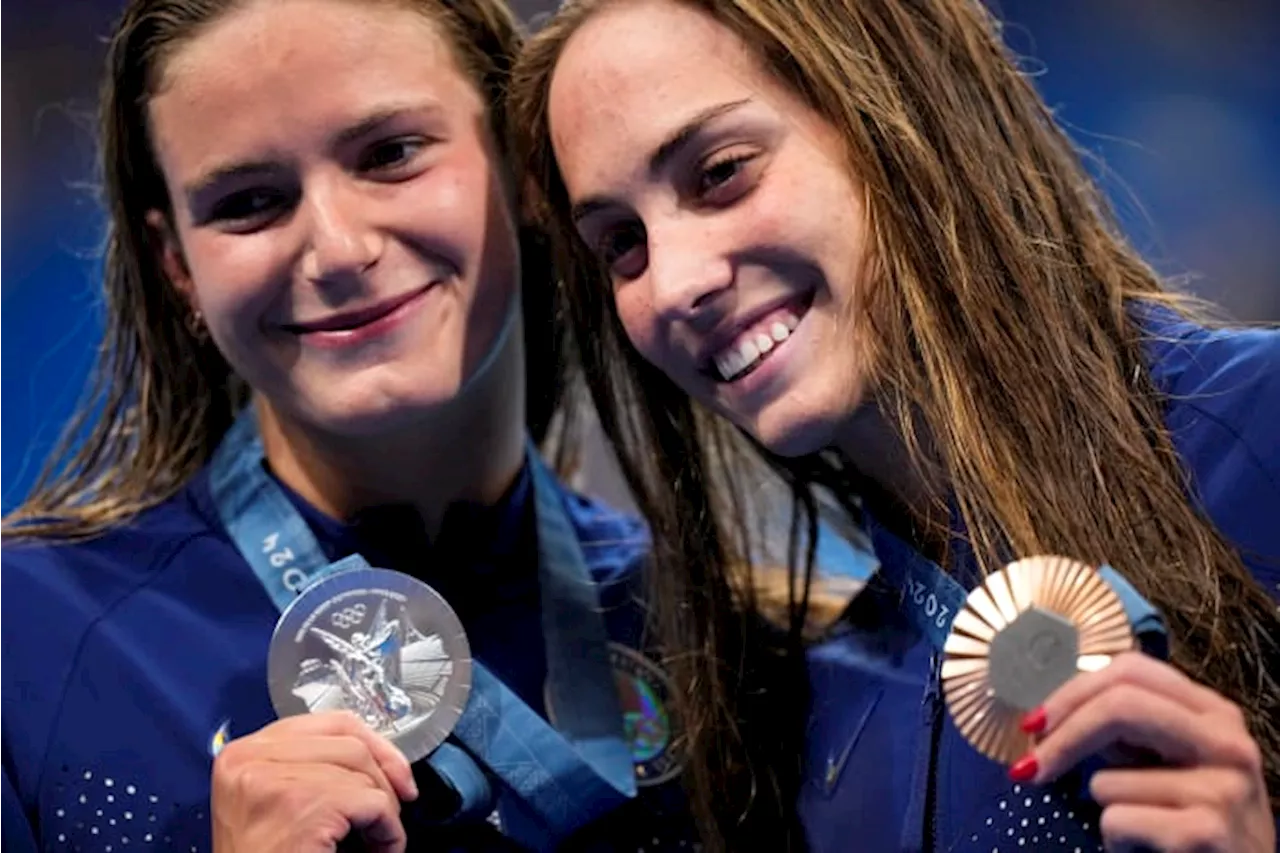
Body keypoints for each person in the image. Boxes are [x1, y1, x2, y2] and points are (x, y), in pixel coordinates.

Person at [510, 0, 1280, 851]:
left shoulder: (1259, 427)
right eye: (622, 241)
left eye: (721, 171)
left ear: (897, 112)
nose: (672, 285)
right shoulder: (819, 709)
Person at [0, 0, 711, 850]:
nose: (338, 249)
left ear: (524, 163)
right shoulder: (27, 643)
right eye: (249, 202)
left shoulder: (709, 624)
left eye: (391, 154)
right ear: (178, 266)